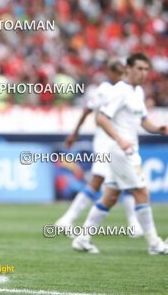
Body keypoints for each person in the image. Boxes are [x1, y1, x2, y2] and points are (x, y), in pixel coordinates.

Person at [72, 53, 168, 255]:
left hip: (128, 149)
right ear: (129, 68)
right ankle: (154, 243)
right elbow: (103, 119)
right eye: (139, 68)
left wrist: (159, 128)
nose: (143, 73)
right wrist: (120, 139)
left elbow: (143, 121)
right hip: (121, 151)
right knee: (142, 192)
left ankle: (82, 238)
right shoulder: (120, 91)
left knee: (110, 196)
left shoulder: (138, 92)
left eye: (146, 69)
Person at [55, 60, 143, 237]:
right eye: (117, 73)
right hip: (105, 141)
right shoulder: (104, 90)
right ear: (110, 73)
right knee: (100, 180)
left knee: (123, 181)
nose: (120, 77)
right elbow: (88, 111)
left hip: (119, 142)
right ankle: (68, 221)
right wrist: (74, 134)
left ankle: (69, 221)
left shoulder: (128, 90)